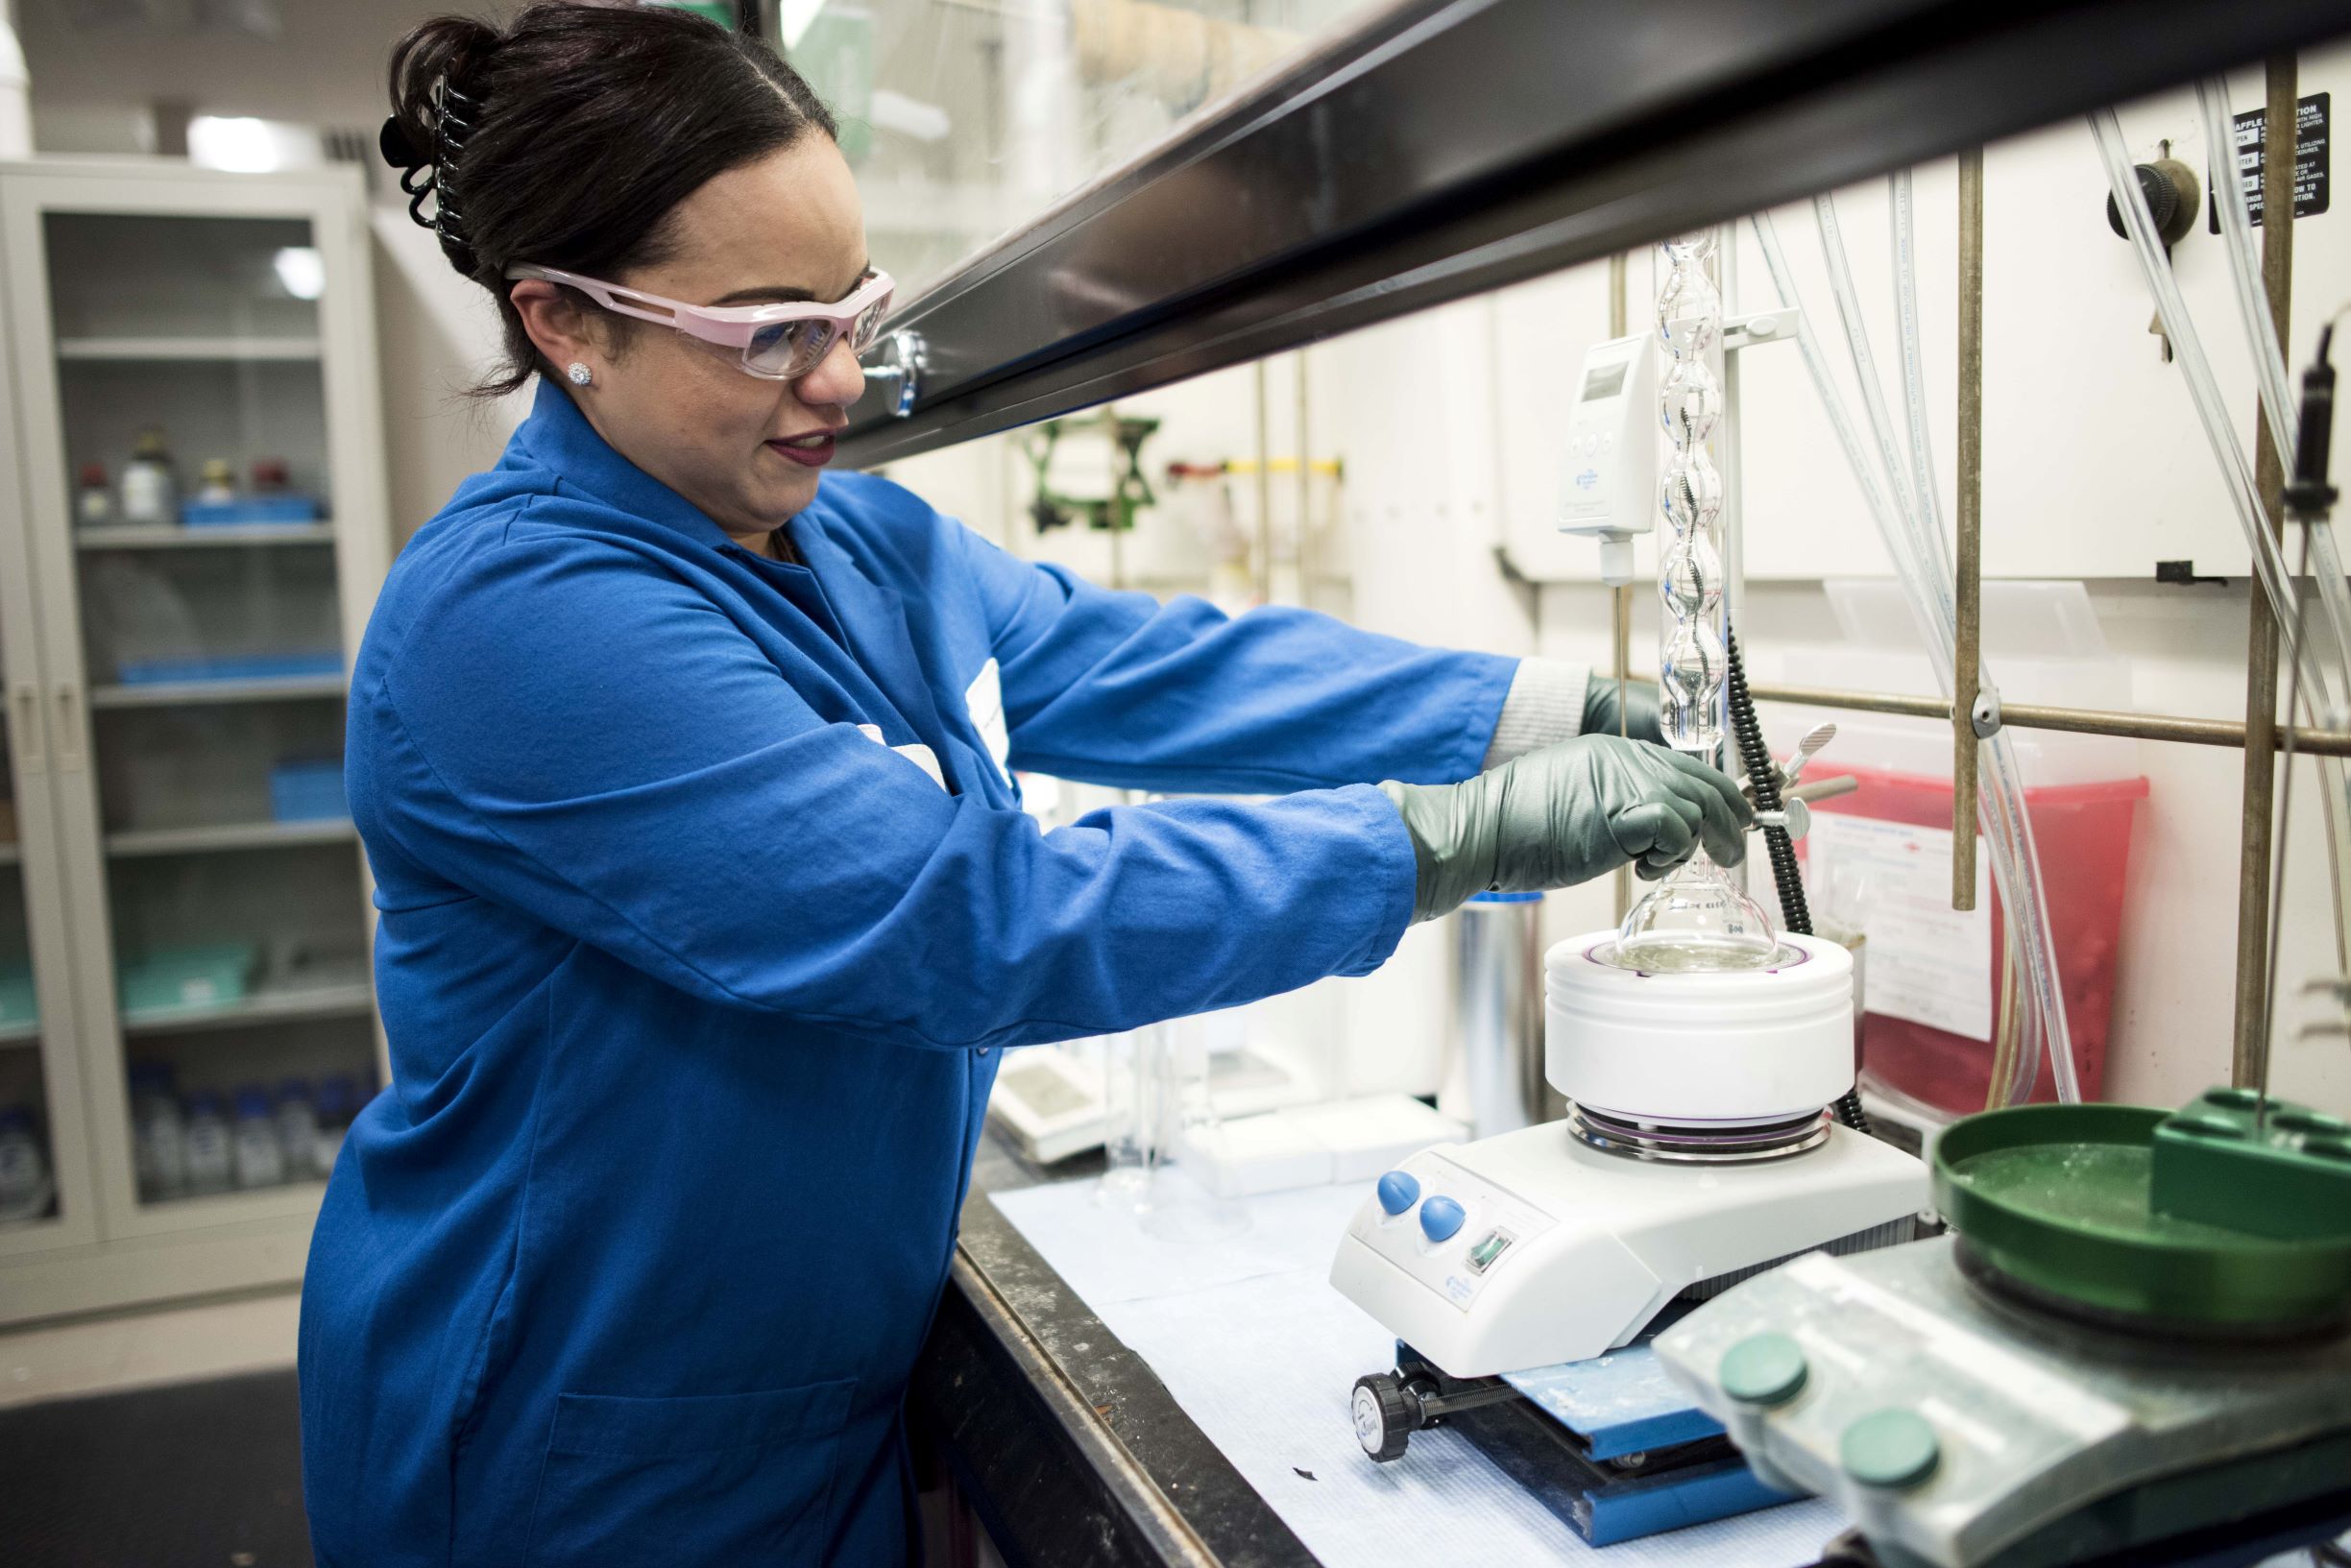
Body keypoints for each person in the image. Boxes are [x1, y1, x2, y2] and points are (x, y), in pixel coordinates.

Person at [298, 7, 1751, 1565]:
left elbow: (1149, 668)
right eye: (767, 329)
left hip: (804, 1401)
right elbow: (965, 919)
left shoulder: (852, 539)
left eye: (853, 306)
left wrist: (1523, 711)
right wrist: (1441, 843)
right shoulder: (517, 622)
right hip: (578, 1441)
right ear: (567, 322)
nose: (839, 376)